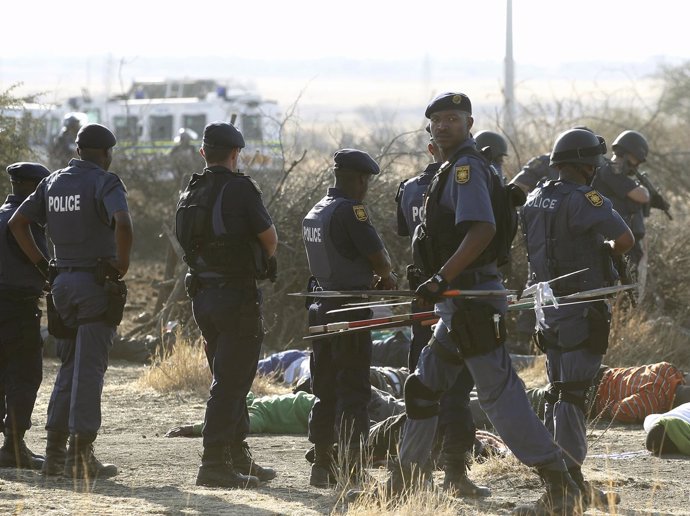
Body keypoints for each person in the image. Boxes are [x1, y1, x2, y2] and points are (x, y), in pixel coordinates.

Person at [386, 92, 585, 516]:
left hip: (472, 299)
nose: (444, 125)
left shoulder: (464, 169)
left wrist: (441, 278)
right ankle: (405, 484)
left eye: (453, 118)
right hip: (456, 305)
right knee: (421, 388)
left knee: (499, 395)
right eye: (438, 120)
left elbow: (481, 230)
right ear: (429, 130)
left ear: (469, 123)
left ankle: (560, 484)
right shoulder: (448, 169)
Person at [9, 123, 133, 480]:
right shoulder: (105, 182)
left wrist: (42, 263)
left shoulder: (53, 182)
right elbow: (122, 223)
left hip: (60, 284)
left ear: (78, 150)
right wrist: (121, 264)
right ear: (106, 154)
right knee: (89, 369)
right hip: (94, 285)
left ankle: (53, 456)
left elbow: (19, 223)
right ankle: (80, 458)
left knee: (69, 366)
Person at [522, 128, 634, 509]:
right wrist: (606, 250)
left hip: (546, 308)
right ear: (587, 166)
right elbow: (625, 239)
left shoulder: (536, 197)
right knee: (571, 394)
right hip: (581, 307)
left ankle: (570, 481)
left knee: (557, 390)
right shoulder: (585, 197)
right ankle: (567, 485)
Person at [176, 121, 278, 489]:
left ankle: (236, 453)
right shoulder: (241, 189)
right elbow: (269, 238)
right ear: (236, 154)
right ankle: (214, 461)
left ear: (203, 152)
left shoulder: (191, 190)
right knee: (232, 382)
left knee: (227, 375)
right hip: (236, 295)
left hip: (202, 295)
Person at [395, 126, 488, 497]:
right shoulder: (459, 184)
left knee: (421, 386)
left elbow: (406, 232)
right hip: (456, 296)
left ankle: (420, 471)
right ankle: (454, 472)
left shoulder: (407, 188)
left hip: (423, 298)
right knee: (457, 390)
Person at [302, 148, 396, 487]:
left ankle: (322, 464)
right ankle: (352, 466)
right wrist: (384, 276)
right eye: (366, 182)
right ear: (359, 179)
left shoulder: (316, 210)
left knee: (324, 387)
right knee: (354, 389)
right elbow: (380, 261)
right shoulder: (351, 211)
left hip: (319, 306)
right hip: (349, 310)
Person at [0, 162, 51, 470]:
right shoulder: (26, 221)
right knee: (25, 373)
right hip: (18, 307)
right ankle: (13, 445)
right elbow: (38, 264)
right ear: (36, 188)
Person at [592, 130, 651, 270]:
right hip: (616, 245)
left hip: (625, 245)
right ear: (628, 154)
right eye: (636, 159)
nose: (636, 165)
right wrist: (645, 190)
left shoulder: (615, 174)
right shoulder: (609, 171)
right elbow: (642, 196)